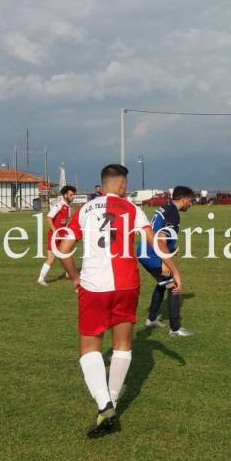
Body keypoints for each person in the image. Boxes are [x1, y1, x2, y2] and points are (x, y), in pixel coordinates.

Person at [57, 164, 168, 438]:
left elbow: (63, 250)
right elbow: (152, 240)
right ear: (120, 185)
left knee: (90, 349)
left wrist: (74, 277)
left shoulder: (84, 209)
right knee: (122, 346)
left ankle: (104, 404)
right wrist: (170, 266)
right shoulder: (132, 209)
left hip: (93, 286)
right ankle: (112, 404)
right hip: (127, 283)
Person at [139, 186, 194, 337]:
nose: (191, 204)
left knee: (162, 283)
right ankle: (175, 329)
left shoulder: (166, 207)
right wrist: (165, 262)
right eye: (190, 201)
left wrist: (172, 248)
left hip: (146, 251)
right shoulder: (173, 213)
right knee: (173, 285)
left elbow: (158, 232)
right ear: (184, 199)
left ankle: (151, 319)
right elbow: (161, 238)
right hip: (153, 254)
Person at [38, 185, 77, 285]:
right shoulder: (59, 205)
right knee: (52, 258)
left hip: (63, 236)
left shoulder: (69, 207)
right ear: (65, 195)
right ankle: (41, 279)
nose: (73, 197)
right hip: (54, 236)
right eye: (71, 195)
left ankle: (69, 274)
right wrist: (55, 231)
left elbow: (66, 222)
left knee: (67, 254)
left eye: (74, 195)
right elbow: (48, 218)